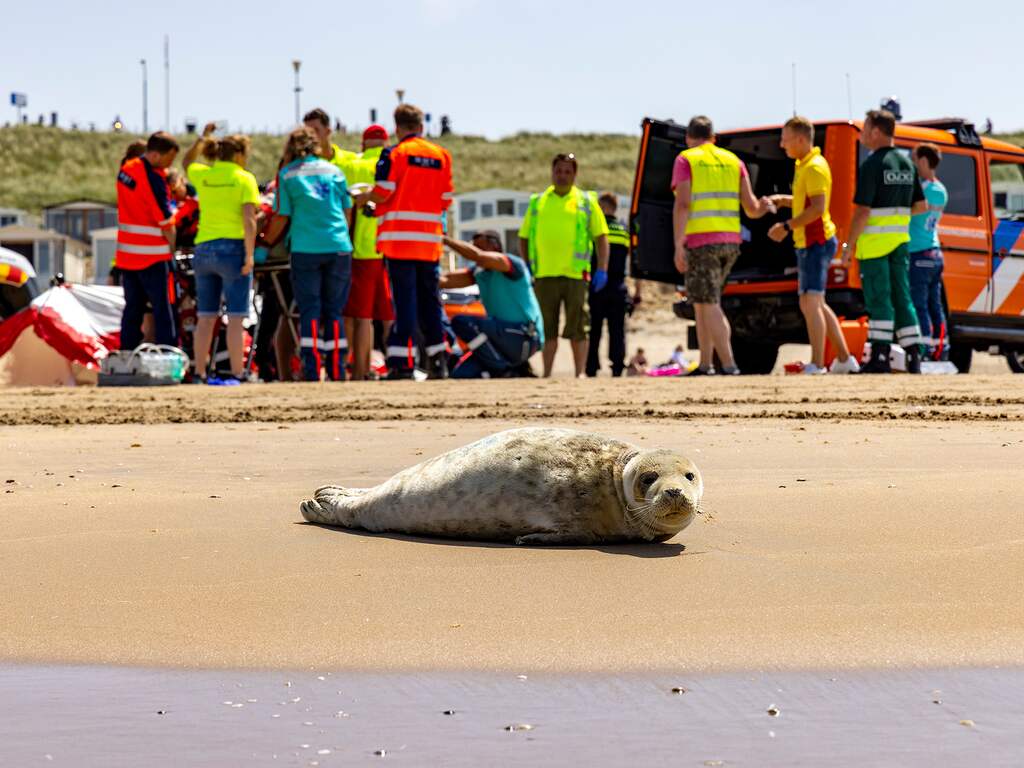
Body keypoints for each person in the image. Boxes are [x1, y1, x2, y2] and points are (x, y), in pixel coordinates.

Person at [672, 116, 772, 375]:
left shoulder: (687, 160)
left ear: (688, 138)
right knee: (701, 302)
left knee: (709, 302)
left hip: (701, 242)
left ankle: (728, 364)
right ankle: (705, 364)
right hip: (730, 243)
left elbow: (682, 204)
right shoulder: (733, 161)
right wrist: (767, 206)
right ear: (714, 137)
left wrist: (677, 244)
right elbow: (751, 208)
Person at [366, 103, 454, 380]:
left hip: (399, 242)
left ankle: (402, 365)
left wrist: (365, 201)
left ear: (397, 127)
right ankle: (439, 362)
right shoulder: (441, 155)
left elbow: (383, 191)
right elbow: (445, 200)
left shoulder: (394, 154)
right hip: (429, 243)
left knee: (404, 305)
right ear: (421, 127)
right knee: (431, 305)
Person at [767, 116, 860, 374]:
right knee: (816, 302)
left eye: (785, 139)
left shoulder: (814, 167)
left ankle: (818, 364)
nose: (781, 144)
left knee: (810, 303)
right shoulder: (803, 165)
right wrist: (784, 201)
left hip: (815, 242)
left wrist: (785, 227)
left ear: (800, 138)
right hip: (810, 242)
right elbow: (805, 201)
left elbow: (818, 209)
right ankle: (844, 359)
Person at [842, 109, 927, 374]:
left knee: (879, 298)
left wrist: (849, 245)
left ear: (876, 131)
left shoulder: (872, 165)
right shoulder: (907, 164)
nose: (863, 135)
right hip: (900, 242)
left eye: (865, 129)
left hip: (875, 245)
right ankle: (914, 355)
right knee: (903, 297)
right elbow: (921, 206)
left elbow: (862, 211)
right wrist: (896, 214)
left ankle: (880, 355)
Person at [272, 126, 354, 382]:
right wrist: (341, 236)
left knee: (310, 309)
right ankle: (337, 369)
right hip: (338, 245)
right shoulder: (334, 171)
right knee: (334, 310)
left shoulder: (287, 175)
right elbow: (347, 210)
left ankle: (312, 368)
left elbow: (282, 216)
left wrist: (264, 245)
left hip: (305, 248)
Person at [518, 153, 609, 378]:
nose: (562, 176)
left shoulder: (586, 201)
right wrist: (527, 265)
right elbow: (523, 236)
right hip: (544, 275)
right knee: (547, 329)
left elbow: (601, 237)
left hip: (576, 275)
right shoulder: (538, 202)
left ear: (575, 174)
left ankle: (579, 374)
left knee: (578, 328)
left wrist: (602, 269)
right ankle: (547, 373)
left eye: (568, 172)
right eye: (559, 171)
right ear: (552, 172)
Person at [188, 134, 260, 385]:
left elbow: (187, 163)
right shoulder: (244, 178)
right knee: (236, 316)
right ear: (239, 154)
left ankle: (199, 372)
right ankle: (238, 372)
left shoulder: (204, 174)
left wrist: (201, 139)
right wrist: (250, 255)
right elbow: (249, 220)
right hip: (233, 248)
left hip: (204, 247)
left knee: (206, 316)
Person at [440, 231, 544, 378]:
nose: (474, 250)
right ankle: (508, 368)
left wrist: (444, 240)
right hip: (500, 341)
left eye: (479, 247)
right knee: (460, 374)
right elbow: (444, 281)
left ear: (494, 246)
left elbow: (477, 256)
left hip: (523, 335)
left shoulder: (511, 263)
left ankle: (502, 369)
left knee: (462, 322)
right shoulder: (480, 272)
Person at [115, 131, 180, 350]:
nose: (169, 165)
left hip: (127, 256)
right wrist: (172, 247)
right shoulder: (153, 177)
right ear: (157, 155)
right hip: (153, 256)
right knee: (163, 309)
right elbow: (164, 219)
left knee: (132, 309)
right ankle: (167, 354)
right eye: (169, 158)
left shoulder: (126, 171)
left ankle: (126, 355)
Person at [343, 125, 395, 381]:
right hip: (394, 246)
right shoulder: (394, 160)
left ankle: (359, 370)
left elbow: (346, 205)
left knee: (360, 316)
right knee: (389, 315)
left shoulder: (353, 164)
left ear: (363, 144)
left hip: (362, 249)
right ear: (385, 142)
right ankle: (400, 363)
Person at [908, 143, 948, 360]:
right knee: (935, 305)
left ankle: (923, 351)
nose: (913, 164)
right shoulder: (941, 190)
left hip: (919, 252)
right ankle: (941, 349)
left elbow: (910, 210)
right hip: (934, 252)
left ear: (923, 161)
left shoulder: (923, 189)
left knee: (919, 305)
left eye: (914, 160)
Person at [586, 192, 630, 377]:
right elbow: (632, 262)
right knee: (617, 330)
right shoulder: (624, 230)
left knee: (594, 329)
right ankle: (618, 366)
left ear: (602, 208)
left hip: (597, 286)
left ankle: (591, 367)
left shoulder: (596, 230)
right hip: (618, 286)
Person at [304, 108, 358, 178]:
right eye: (307, 132)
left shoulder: (352, 159)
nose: (311, 136)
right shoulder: (303, 167)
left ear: (328, 131)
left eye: (316, 130)